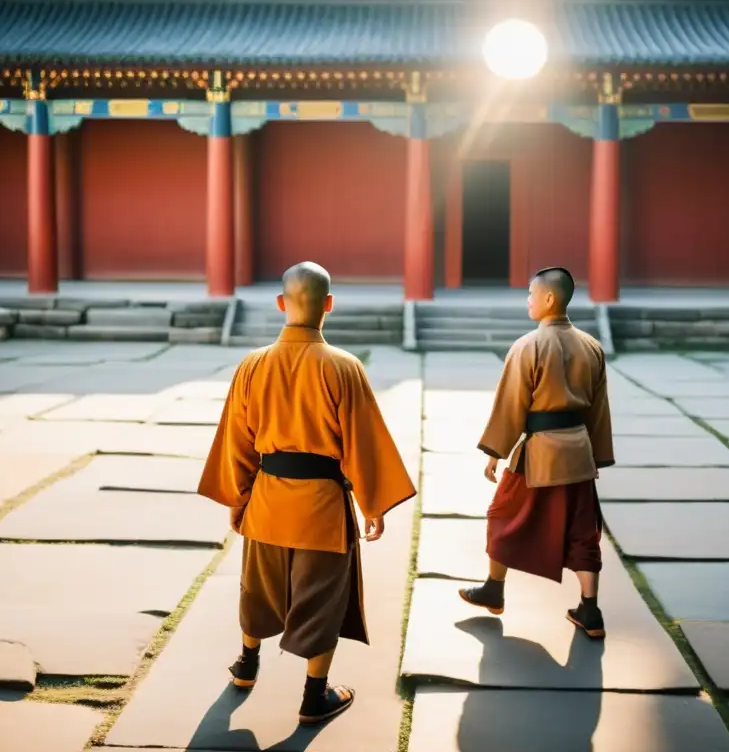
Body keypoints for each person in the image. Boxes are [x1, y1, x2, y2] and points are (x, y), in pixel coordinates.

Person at [197, 261, 416, 725]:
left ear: (281, 303)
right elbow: (363, 442)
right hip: (321, 509)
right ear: (328, 305)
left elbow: (237, 441)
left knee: (258, 589)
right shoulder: (343, 367)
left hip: (268, 501)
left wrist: (240, 501)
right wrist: (372, 504)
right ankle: (314, 697)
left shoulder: (253, 365)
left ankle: (246, 665)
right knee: (322, 600)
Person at [458, 266, 614, 639]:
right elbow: (598, 409)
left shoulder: (528, 345)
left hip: (539, 455)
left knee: (503, 515)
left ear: (548, 299)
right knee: (582, 531)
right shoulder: (591, 346)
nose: (527, 300)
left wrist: (495, 451)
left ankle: (494, 588)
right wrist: (597, 455)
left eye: (531, 294)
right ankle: (590, 611)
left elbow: (511, 404)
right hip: (577, 455)